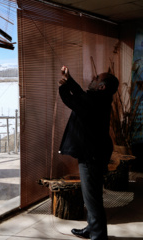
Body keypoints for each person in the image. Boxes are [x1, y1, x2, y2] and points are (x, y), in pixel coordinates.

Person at [58, 66, 119, 240]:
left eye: (96, 78)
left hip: (92, 155)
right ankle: (92, 228)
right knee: (91, 196)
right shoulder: (99, 98)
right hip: (95, 153)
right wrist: (68, 80)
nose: (92, 78)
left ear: (102, 87)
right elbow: (80, 95)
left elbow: (73, 101)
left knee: (92, 200)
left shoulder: (96, 101)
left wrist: (63, 86)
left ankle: (98, 236)